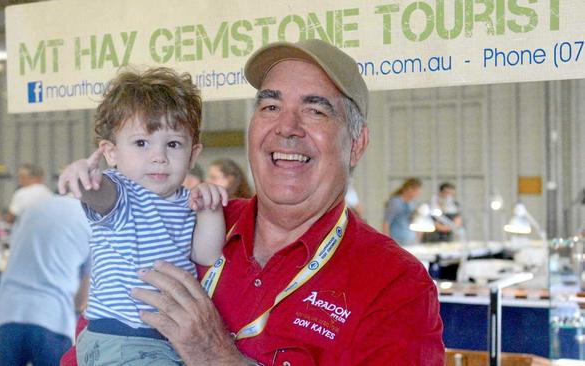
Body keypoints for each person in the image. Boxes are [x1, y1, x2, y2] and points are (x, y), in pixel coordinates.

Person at [63, 39, 444, 365]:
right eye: (270, 107)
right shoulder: (191, 220)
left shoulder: (395, 286)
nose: (287, 128)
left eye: (315, 110)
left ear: (356, 144)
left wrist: (218, 357)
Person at [57, 67, 228, 366]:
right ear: (111, 153)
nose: (158, 156)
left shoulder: (186, 201)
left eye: (173, 144)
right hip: (124, 337)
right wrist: (85, 179)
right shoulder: (123, 193)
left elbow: (207, 254)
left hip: (164, 340)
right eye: (141, 143)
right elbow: (101, 194)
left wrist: (210, 210)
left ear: (193, 154)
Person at [0, 195, 91, 366]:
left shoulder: (34, 207)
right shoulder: (92, 222)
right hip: (52, 319)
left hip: (6, 314)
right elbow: (82, 301)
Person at [382, 177, 422, 246]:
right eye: (417, 191)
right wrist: (387, 242)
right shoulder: (395, 202)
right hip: (397, 239)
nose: (418, 194)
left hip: (410, 238)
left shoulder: (412, 203)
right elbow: (386, 222)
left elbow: (413, 221)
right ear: (410, 189)